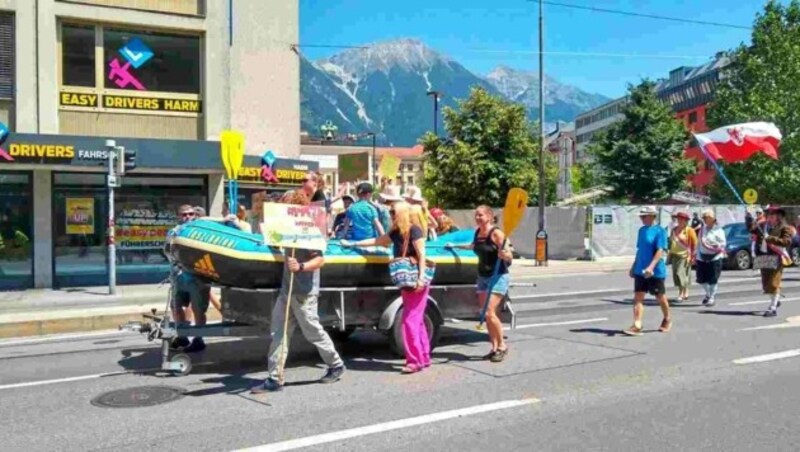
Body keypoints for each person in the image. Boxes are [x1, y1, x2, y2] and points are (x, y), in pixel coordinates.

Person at [251, 191, 345, 393]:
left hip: (304, 292)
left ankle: (336, 364)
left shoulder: (308, 231)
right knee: (279, 332)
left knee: (312, 331)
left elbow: (320, 260)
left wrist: (301, 266)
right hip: (288, 289)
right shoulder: (287, 228)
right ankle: (275, 378)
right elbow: (274, 241)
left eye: (284, 203)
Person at [342, 202, 432, 373]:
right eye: (390, 212)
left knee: (409, 320)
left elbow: (422, 256)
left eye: (393, 212)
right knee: (416, 320)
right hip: (406, 281)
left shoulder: (415, 230)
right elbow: (378, 241)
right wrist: (354, 244)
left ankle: (414, 361)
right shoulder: (396, 232)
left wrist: (421, 279)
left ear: (403, 213)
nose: (390, 215)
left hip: (416, 280)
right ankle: (423, 356)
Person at [447, 206, 513, 361]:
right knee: (486, 314)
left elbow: (510, 254)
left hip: (497, 276)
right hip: (482, 276)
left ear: (489, 216)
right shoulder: (477, 233)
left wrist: (505, 255)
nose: (477, 217)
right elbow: (472, 246)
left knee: (490, 313)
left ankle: (502, 346)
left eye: (480, 215)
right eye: (476, 215)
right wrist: (454, 246)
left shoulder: (496, 233)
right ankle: (494, 346)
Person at [168, 205, 211, 352]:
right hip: (179, 276)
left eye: (191, 214)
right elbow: (168, 251)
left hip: (198, 277)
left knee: (199, 309)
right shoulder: (174, 232)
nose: (188, 217)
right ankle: (182, 336)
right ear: (179, 216)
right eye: (184, 214)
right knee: (175, 306)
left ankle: (199, 339)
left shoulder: (202, 232)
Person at [623, 206, 671, 337]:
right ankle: (637, 324)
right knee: (638, 297)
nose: (642, 218)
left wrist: (651, 267)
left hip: (655, 270)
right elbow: (640, 250)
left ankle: (667, 318)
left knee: (659, 296)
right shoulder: (642, 231)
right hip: (640, 269)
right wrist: (634, 266)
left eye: (644, 216)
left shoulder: (659, 231)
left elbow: (660, 251)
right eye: (641, 216)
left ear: (652, 216)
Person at [750, 205, 794, 317]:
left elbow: (786, 242)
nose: (770, 216)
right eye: (769, 214)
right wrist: (749, 217)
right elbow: (751, 230)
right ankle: (776, 299)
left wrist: (770, 238)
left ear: (779, 216)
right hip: (763, 255)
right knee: (766, 285)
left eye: (772, 214)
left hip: (776, 256)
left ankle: (772, 308)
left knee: (774, 283)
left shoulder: (785, 227)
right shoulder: (763, 225)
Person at [695, 209, 727, 307]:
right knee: (701, 279)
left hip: (714, 257)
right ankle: (708, 294)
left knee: (713, 279)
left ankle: (712, 297)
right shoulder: (702, 229)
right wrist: (695, 255)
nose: (705, 219)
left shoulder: (719, 230)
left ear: (712, 219)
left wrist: (714, 244)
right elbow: (699, 243)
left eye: (707, 217)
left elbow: (723, 244)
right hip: (701, 257)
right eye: (704, 218)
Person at [668, 211, 697, 303]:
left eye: (682, 219)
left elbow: (694, 244)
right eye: (678, 219)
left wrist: (693, 257)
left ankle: (681, 293)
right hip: (674, 255)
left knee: (680, 273)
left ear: (686, 221)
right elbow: (671, 241)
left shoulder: (689, 230)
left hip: (684, 255)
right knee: (677, 274)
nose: (680, 221)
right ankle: (685, 291)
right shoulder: (674, 229)